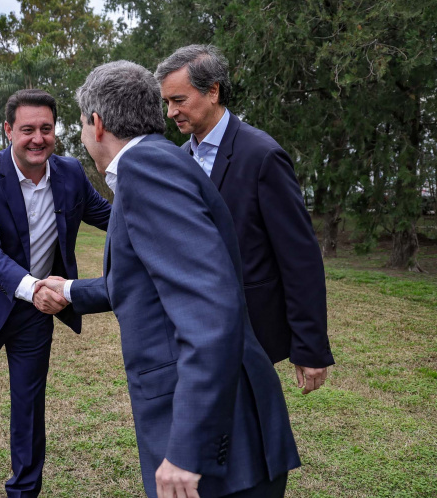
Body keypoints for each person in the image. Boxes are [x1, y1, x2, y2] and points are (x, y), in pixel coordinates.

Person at [34, 61, 300, 498]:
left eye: (80, 125)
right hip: (228, 422)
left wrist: (188, 449)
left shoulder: (146, 171)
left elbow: (209, 312)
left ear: (97, 124)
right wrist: (69, 290)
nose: (81, 136)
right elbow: (154, 278)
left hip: (220, 443)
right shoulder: (161, 160)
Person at [0, 89, 111, 498]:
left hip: (34, 314)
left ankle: (24, 489)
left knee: (29, 402)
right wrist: (34, 289)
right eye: (27, 129)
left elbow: (109, 217)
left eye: (46, 129)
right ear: (9, 130)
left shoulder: (70, 173)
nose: (37, 138)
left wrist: (161, 216)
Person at [154, 45, 334, 394]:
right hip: (190, 335)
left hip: (249, 336)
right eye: (167, 102)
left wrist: (310, 346)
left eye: (178, 100)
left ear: (212, 91)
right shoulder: (178, 159)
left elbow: (300, 258)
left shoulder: (262, 156)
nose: (171, 112)